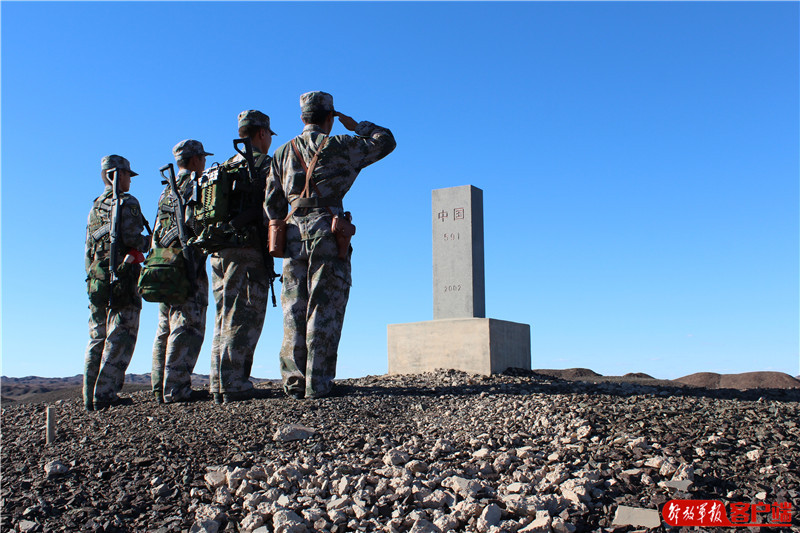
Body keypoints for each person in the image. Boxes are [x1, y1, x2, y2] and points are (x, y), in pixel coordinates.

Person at [265, 91, 396, 399]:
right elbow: (386, 141)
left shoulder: (282, 152)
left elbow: (271, 202)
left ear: (302, 118)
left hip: (293, 233)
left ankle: (294, 382)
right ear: (330, 117)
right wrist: (357, 126)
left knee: (294, 309)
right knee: (325, 306)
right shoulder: (339, 146)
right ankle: (318, 383)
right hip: (328, 229)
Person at [208, 110, 276, 404]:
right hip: (247, 250)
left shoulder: (222, 167)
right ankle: (234, 382)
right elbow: (276, 204)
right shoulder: (264, 164)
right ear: (261, 133)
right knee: (244, 316)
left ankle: (218, 382)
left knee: (223, 316)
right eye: (269, 135)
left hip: (219, 252)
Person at [84, 155, 151, 411]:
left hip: (96, 278)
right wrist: (148, 242)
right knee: (122, 333)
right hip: (122, 276)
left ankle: (89, 395)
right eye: (127, 175)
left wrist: (91, 277)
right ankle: (106, 393)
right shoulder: (127, 203)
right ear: (117, 175)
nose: (129, 181)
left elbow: (88, 248)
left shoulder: (95, 208)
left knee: (97, 336)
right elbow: (134, 238)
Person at [150, 140, 212, 404]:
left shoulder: (166, 191)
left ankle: (158, 386)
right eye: (203, 158)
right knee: (187, 325)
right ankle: (176, 388)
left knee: (164, 326)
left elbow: (156, 231)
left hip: (162, 262)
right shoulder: (197, 185)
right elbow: (199, 222)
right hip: (186, 264)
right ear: (196, 159)